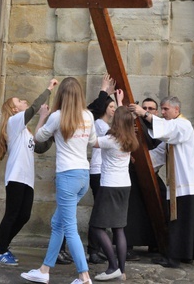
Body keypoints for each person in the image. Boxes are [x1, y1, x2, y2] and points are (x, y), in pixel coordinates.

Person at [21, 77, 96, 284]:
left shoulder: (57, 116)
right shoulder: (88, 116)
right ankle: (44, 270)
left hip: (67, 176)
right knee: (58, 223)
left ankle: (84, 276)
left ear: (61, 94)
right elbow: (93, 141)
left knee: (69, 228)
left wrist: (43, 117)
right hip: (83, 176)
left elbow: (38, 138)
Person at [129, 96, 194, 267]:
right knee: (183, 221)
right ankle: (185, 254)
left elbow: (168, 129)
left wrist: (143, 113)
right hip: (183, 184)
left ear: (176, 110)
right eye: (162, 109)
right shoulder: (171, 133)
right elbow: (157, 154)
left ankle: (174, 258)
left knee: (181, 221)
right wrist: (135, 159)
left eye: (166, 109)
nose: (163, 112)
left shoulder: (183, 124)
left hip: (189, 183)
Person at [0, 78, 58, 265]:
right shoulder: (14, 122)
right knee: (12, 214)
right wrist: (48, 88)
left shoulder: (25, 131)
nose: (23, 102)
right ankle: (1, 251)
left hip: (27, 180)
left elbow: (40, 147)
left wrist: (48, 124)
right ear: (14, 109)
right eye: (19, 101)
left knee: (24, 216)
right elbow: (33, 107)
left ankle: (3, 245)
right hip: (15, 177)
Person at [89, 99, 139, 282]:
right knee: (119, 228)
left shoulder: (110, 140)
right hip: (124, 185)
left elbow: (92, 141)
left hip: (109, 185)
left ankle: (112, 266)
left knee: (96, 226)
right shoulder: (130, 140)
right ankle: (122, 270)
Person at [124, 97, 162, 259]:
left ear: (156, 112)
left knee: (158, 202)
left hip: (152, 174)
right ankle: (128, 245)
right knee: (131, 209)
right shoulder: (133, 125)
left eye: (151, 108)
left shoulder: (160, 127)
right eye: (144, 107)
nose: (147, 110)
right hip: (132, 173)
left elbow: (157, 144)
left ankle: (155, 243)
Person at [87, 73, 116, 264]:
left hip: (104, 173)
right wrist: (104, 90)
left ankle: (98, 248)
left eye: (115, 107)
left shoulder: (105, 124)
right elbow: (94, 108)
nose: (114, 110)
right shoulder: (98, 123)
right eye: (111, 106)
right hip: (97, 172)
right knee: (99, 212)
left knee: (103, 212)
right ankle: (93, 250)